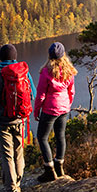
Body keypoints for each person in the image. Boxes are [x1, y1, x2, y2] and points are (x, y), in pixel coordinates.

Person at [0, 44, 35, 192]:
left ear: (1, 58)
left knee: (6, 155)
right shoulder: (25, 74)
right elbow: (32, 93)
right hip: (20, 120)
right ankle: (17, 184)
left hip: (2, 121)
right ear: (15, 57)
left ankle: (12, 191)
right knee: (18, 152)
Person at [34, 42, 77, 182]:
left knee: (42, 137)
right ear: (63, 54)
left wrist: (36, 110)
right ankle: (59, 166)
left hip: (50, 109)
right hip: (64, 108)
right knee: (60, 136)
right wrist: (67, 104)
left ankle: (49, 170)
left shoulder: (46, 71)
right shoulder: (69, 70)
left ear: (49, 55)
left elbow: (40, 94)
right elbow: (71, 91)